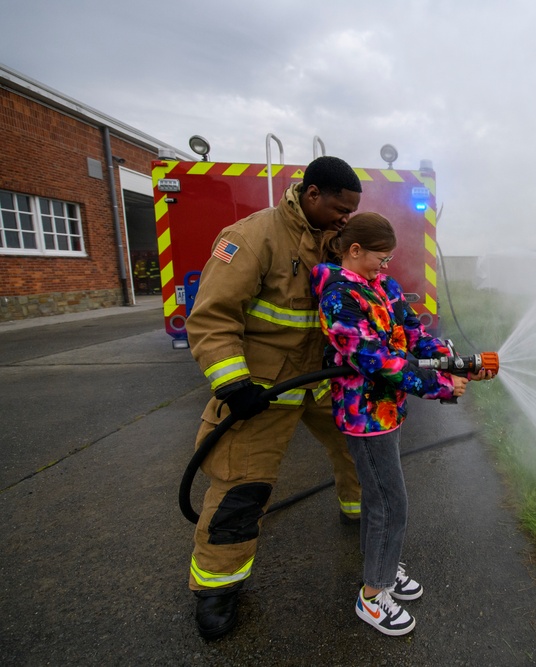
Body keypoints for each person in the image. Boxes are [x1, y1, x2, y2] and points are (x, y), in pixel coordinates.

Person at [184, 156, 364, 640]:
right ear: (312, 195)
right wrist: (232, 384)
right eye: (340, 207)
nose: (347, 216)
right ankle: (217, 588)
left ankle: (360, 515)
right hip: (265, 388)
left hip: (325, 379)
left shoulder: (337, 240)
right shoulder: (249, 238)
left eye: (353, 210)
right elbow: (212, 318)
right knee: (243, 486)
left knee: (360, 449)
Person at [311, 212, 494, 636]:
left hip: (387, 411)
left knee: (382, 502)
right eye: (380, 258)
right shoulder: (339, 299)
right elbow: (375, 359)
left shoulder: (382, 288)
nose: (386, 267)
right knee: (390, 504)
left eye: (389, 260)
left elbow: (412, 335)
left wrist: (453, 361)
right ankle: (373, 595)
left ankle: (385, 568)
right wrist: (440, 385)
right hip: (364, 416)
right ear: (354, 251)